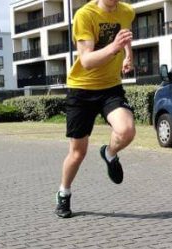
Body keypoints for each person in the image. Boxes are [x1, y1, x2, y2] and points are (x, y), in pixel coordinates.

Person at [55, 0, 136, 218]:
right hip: (81, 89)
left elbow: (125, 34)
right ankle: (64, 193)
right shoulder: (85, 15)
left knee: (127, 130)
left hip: (110, 87)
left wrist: (128, 54)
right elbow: (87, 60)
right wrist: (115, 47)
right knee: (78, 152)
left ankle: (110, 153)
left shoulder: (127, 11)